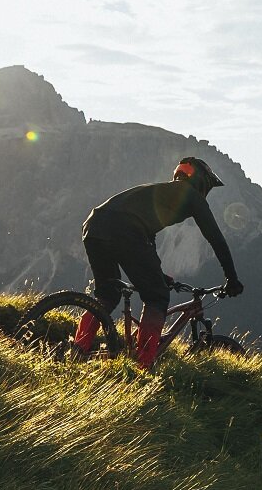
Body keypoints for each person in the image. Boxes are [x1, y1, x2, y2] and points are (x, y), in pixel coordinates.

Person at [75, 157, 244, 368]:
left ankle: (77, 349)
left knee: (107, 295)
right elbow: (216, 239)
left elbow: (147, 240)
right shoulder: (192, 196)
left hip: (94, 226)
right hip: (125, 229)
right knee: (157, 297)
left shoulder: (160, 193)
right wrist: (232, 278)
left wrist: (159, 273)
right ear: (202, 182)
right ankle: (143, 365)